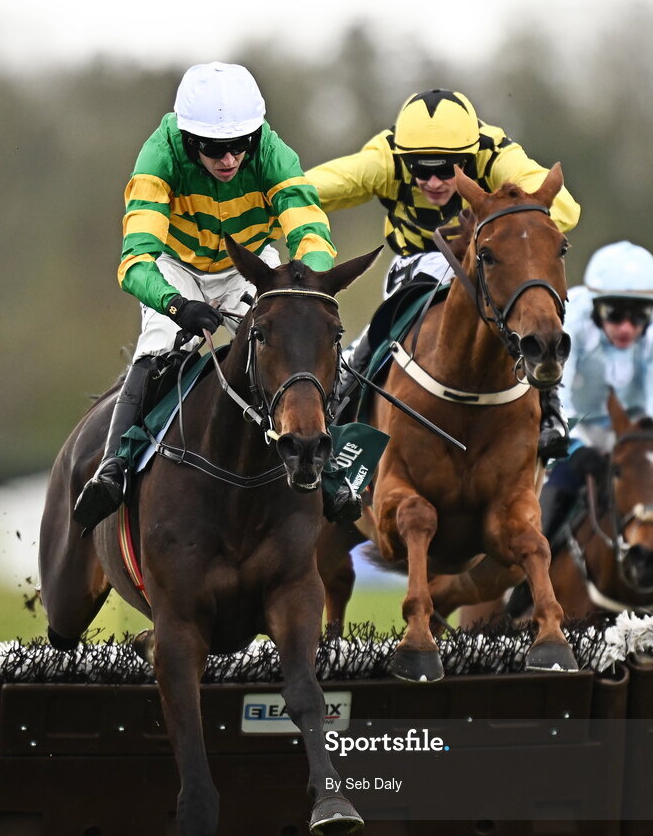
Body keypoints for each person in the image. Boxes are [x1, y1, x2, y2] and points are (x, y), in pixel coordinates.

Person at [73, 62, 338, 531]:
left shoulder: (274, 153)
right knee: (156, 353)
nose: (230, 159)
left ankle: (331, 466)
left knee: (308, 339)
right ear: (189, 139)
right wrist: (178, 306)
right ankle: (112, 467)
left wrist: (306, 289)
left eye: (240, 145)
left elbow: (311, 231)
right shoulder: (159, 157)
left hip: (248, 266)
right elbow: (136, 262)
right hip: (174, 269)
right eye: (215, 149)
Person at [306, 88, 581, 457]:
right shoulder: (384, 157)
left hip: (490, 262)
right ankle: (345, 398)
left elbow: (565, 210)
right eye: (421, 169)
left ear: (471, 155)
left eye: (448, 169)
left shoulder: (496, 153)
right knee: (388, 320)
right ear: (404, 159)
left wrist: (499, 229)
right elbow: (305, 190)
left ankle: (550, 408)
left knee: (536, 299)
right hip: (415, 265)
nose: (433, 183)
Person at [506, 239, 653, 614]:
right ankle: (523, 589)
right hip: (570, 423)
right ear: (596, 306)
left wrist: (651, 448)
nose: (627, 327)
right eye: (615, 314)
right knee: (560, 486)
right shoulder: (569, 322)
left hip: (635, 432)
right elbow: (554, 393)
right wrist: (577, 450)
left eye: (638, 316)